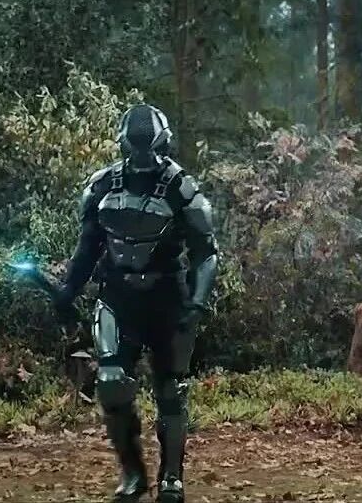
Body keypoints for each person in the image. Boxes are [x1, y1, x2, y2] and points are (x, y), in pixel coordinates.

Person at [55, 104, 218, 503]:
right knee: (111, 385)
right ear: (124, 143)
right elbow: (87, 248)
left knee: (171, 390)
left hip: (167, 297)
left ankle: (172, 477)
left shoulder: (181, 187)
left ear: (162, 144)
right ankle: (132, 475)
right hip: (117, 296)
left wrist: (197, 303)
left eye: (150, 146)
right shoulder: (102, 186)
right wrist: (68, 290)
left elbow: (206, 253)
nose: (144, 155)